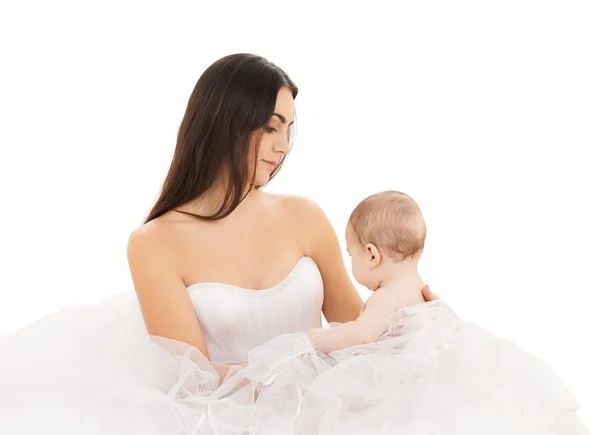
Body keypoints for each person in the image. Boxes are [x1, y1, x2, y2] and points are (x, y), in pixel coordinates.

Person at [0, 53, 437, 434]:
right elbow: (193, 382)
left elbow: (359, 331)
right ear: (228, 121)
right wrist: (294, 368)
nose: (284, 146)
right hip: (220, 421)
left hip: (324, 416)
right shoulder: (154, 243)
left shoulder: (305, 216)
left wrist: (410, 306)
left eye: (289, 130)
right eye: (271, 127)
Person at [242, 190, 588, 434]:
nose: (351, 264)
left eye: (351, 255)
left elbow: (361, 334)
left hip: (407, 380)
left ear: (373, 255)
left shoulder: (384, 297)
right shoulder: (423, 291)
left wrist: (314, 338)